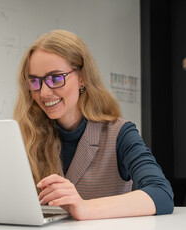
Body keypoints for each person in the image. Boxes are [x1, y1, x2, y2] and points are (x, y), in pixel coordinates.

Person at [13, 30, 173, 220]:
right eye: (35, 81)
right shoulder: (25, 135)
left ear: (83, 77)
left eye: (56, 78)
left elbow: (161, 195)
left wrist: (85, 208)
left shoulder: (119, 133)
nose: (44, 92)